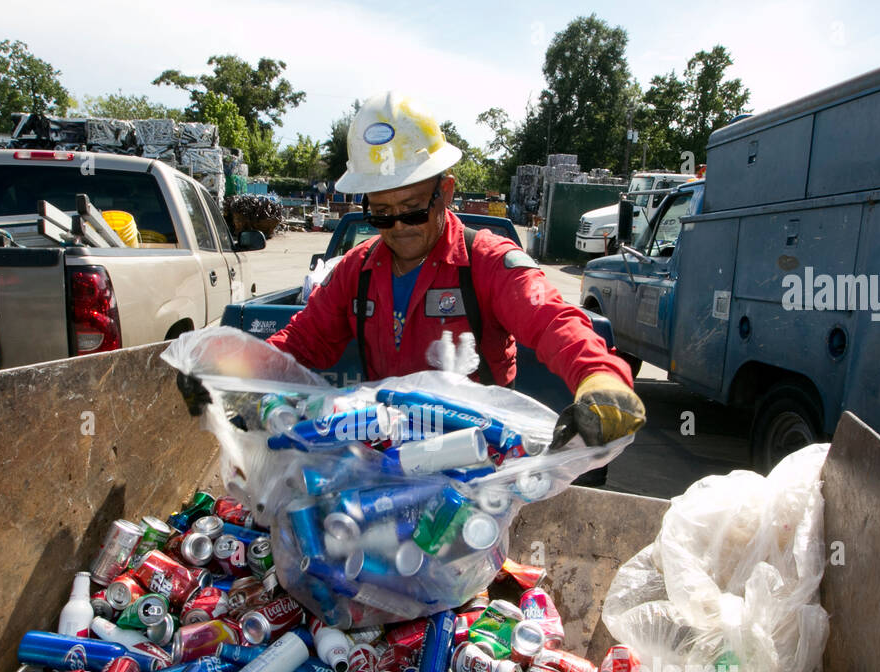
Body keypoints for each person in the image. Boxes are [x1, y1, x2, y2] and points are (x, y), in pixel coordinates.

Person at [182, 91, 645, 448]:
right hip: (383, 458)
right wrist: (232, 370)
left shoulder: (485, 262)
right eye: (381, 213)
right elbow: (302, 344)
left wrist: (598, 376)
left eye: (411, 209)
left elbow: (551, 320)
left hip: (473, 462)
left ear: (444, 192)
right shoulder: (357, 271)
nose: (397, 227)